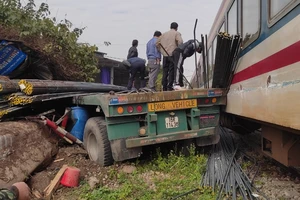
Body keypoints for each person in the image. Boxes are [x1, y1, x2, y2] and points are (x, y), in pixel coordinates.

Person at [156, 22, 183, 91]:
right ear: (176, 27)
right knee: (171, 71)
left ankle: (164, 86)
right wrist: (177, 50)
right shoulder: (176, 33)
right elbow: (180, 42)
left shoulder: (163, 34)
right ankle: (169, 86)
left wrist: (161, 51)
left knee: (165, 71)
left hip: (165, 55)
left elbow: (156, 44)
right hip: (172, 55)